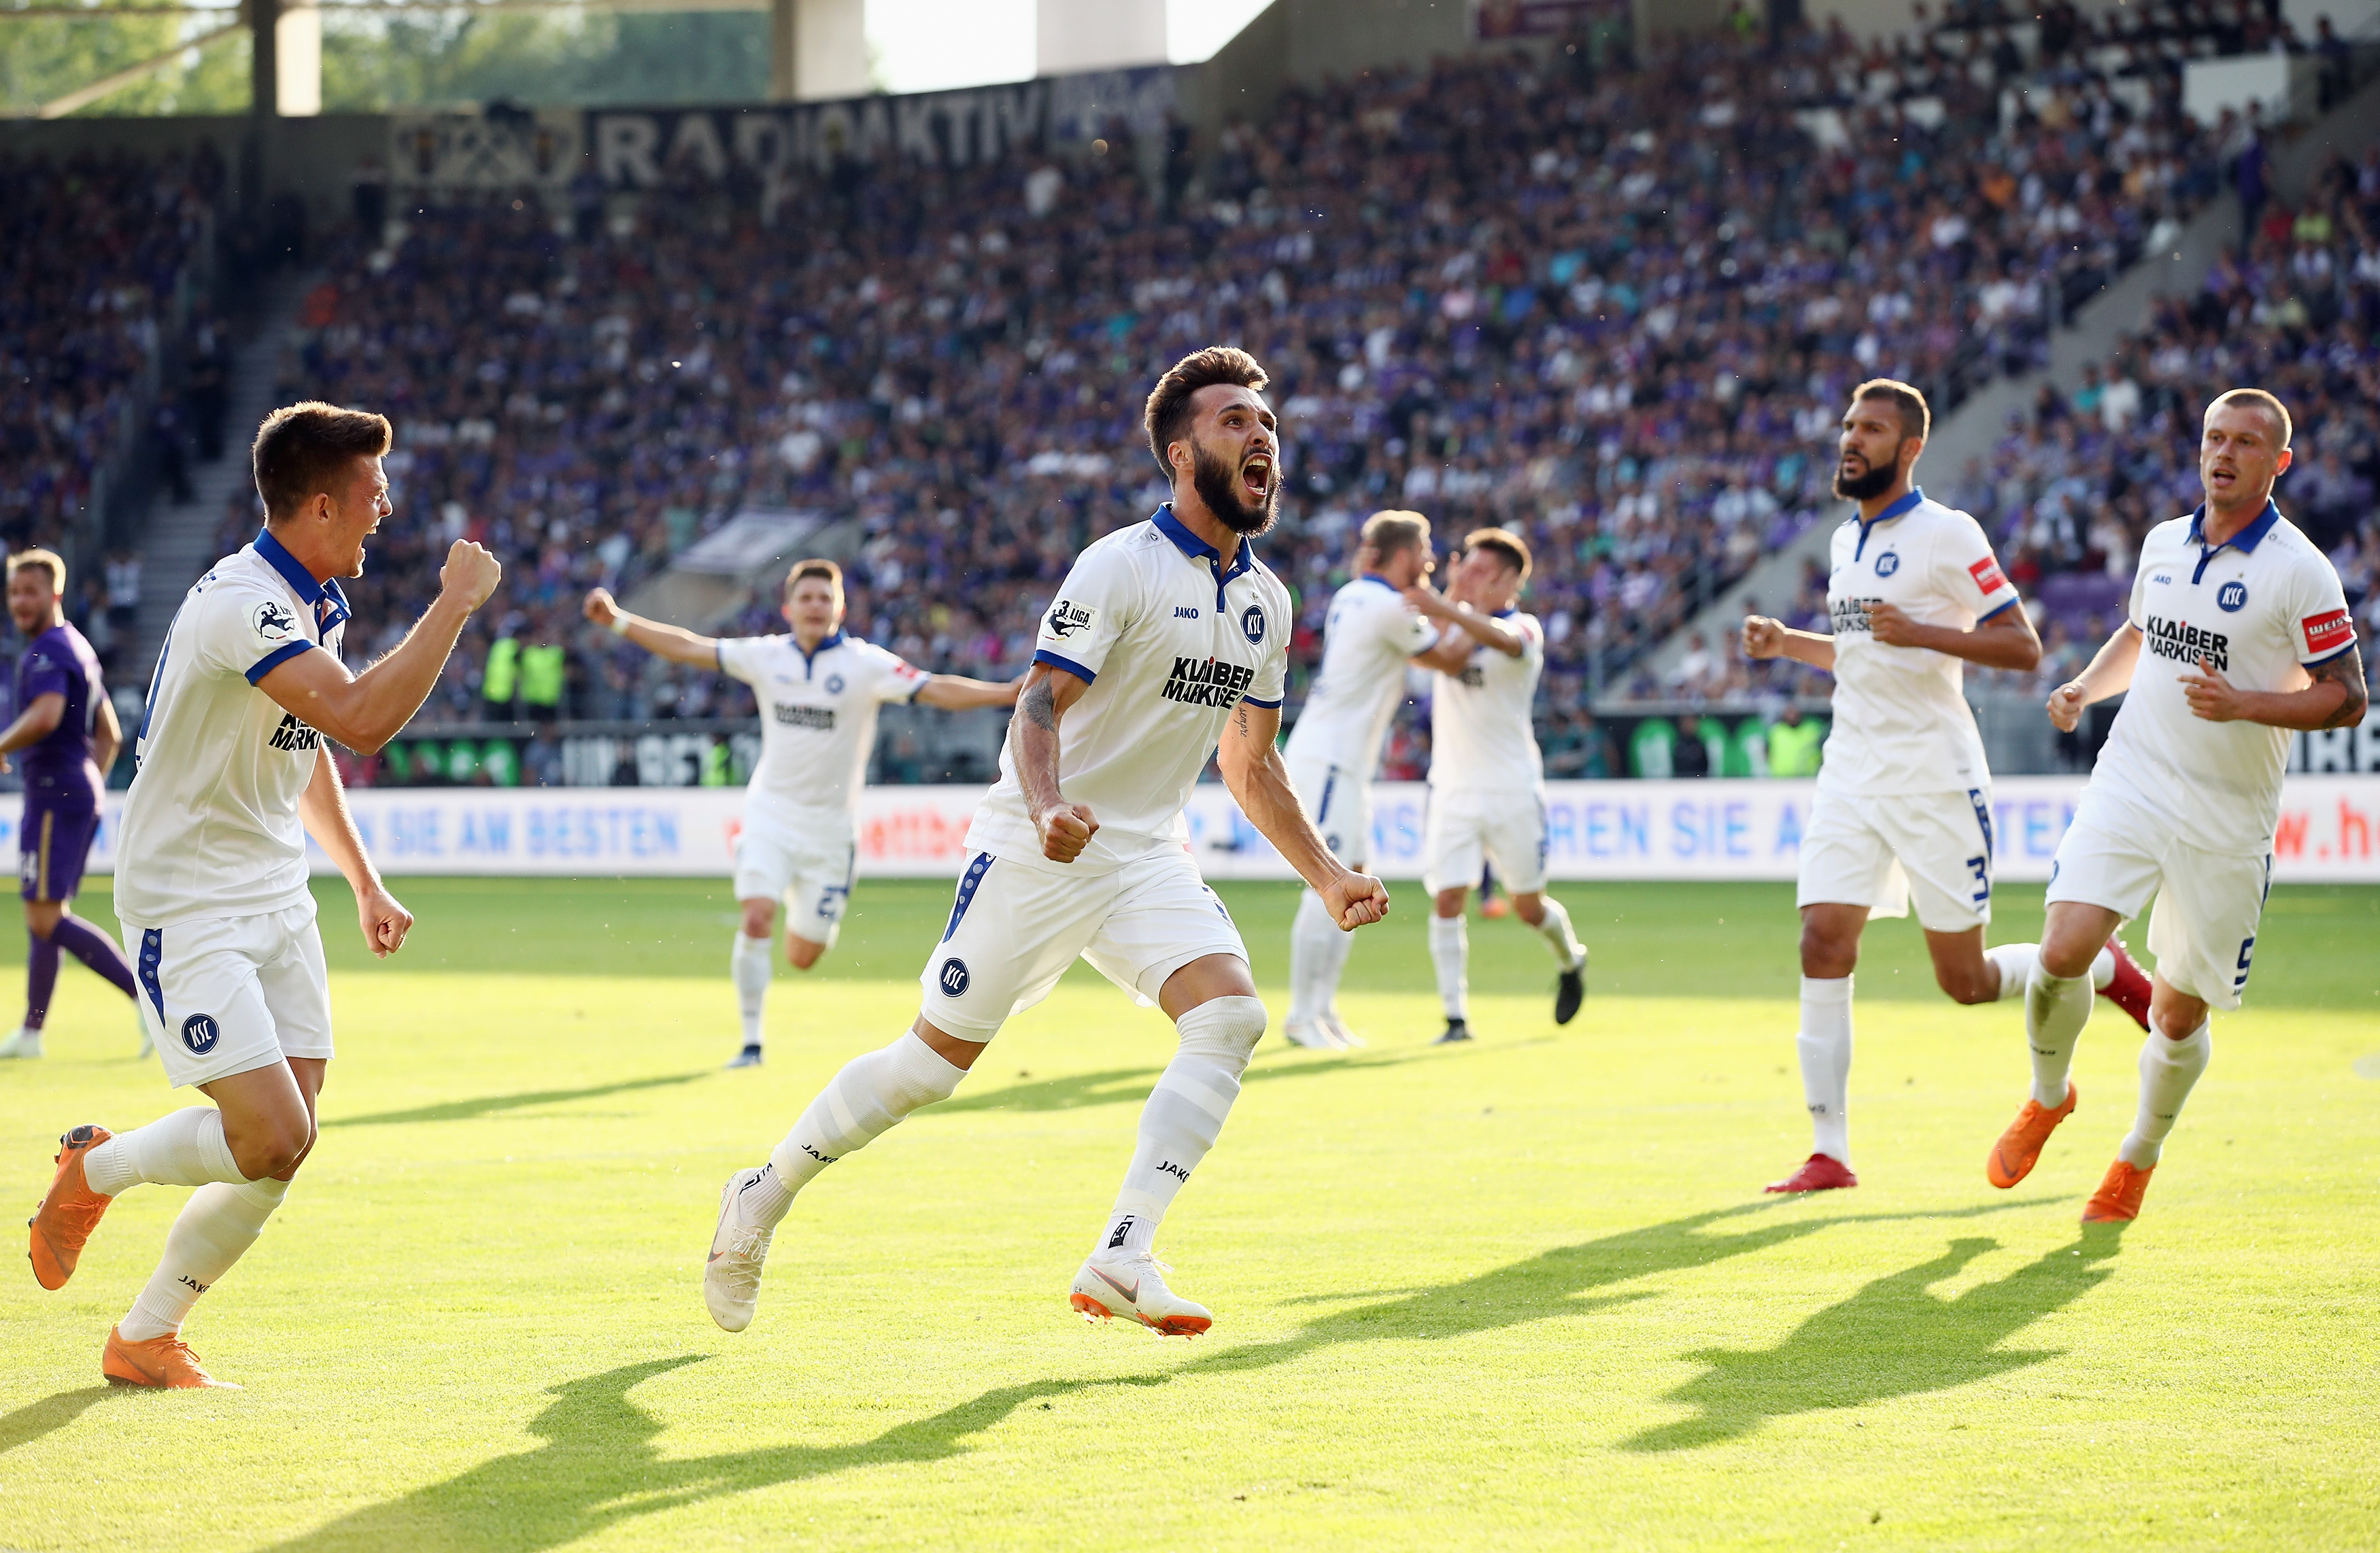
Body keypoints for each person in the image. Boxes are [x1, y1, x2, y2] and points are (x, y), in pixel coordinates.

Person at [698, 347, 1388, 1339]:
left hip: (1144, 854)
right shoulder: (1121, 564)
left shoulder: (1266, 603)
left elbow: (1250, 761)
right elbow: (1037, 700)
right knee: (929, 1068)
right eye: (1235, 422)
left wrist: (1325, 875)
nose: (1263, 439)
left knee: (1231, 1018)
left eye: (1267, 424)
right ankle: (761, 1192)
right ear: (1180, 454)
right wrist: (1048, 804)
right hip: (1039, 846)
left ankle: (1123, 1253)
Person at [25, 402, 501, 1388]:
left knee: (289, 1141)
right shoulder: (245, 602)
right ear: (321, 505)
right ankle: (95, 1170)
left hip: (276, 891)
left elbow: (308, 741)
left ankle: (145, 1337)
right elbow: (360, 718)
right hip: (188, 901)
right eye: (375, 492)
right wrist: (455, 603)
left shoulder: (317, 600)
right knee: (270, 1132)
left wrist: (361, 877)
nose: (386, 508)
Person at [1741, 378, 2149, 1196]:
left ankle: (2100, 967)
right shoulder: (1843, 542)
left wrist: (1924, 631)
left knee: (1962, 982)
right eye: (1848, 425)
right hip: (1850, 771)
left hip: (1933, 777)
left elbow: (2021, 645)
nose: (1850, 439)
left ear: (1910, 447)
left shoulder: (1946, 533)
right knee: (1821, 941)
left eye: (1871, 429)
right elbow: (1863, 651)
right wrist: (1788, 643)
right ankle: (1829, 1152)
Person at [1986, 389, 2366, 1223]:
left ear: (2279, 462)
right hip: (2133, 777)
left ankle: (2137, 1155)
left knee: (2175, 1011)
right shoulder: (2163, 542)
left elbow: (2346, 697)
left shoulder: (2299, 570)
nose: (2223, 453)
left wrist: (2243, 705)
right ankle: (2048, 1095)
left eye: (2245, 443)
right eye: (2213, 438)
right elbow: (2139, 633)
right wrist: (2084, 687)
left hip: (2227, 814)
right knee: (2061, 948)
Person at [583, 559, 1018, 1068]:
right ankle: (751, 1044)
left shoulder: (865, 665)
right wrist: (618, 621)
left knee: (803, 956)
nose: (816, 606)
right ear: (788, 609)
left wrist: (1006, 694)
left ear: (841, 609)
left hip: (831, 832)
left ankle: (797, 896)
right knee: (757, 915)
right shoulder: (766, 656)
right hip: (770, 814)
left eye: (825, 598)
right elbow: (689, 647)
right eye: (806, 598)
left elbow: (935, 687)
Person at [1278, 511, 1485, 1048]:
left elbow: (1422, 635)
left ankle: (1322, 1011)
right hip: (1331, 761)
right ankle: (1301, 1016)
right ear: (1405, 554)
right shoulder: (1386, 607)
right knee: (1328, 884)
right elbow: (1449, 658)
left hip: (1339, 759)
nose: (1431, 559)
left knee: (1353, 882)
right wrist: (1470, 605)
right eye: (1426, 548)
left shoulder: (1358, 595)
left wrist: (1445, 603)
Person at [1411, 528, 1589, 1044]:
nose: (1471, 577)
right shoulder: (1454, 621)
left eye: (1483, 572)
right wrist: (1447, 601)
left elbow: (1505, 641)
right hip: (1453, 788)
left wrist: (1445, 606)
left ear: (1511, 581)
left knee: (1528, 908)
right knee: (1448, 898)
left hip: (1512, 789)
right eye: (1466, 566)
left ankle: (1571, 959)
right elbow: (1429, 648)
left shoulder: (1524, 627)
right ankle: (1455, 1019)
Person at [0, 549, 140, 1060]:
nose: (20, 602)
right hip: (74, 792)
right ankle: (32, 1033)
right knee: (47, 912)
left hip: (53, 794)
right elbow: (110, 734)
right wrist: (89, 786)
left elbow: (47, 714)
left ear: (55, 593)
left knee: (44, 918)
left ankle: (146, 1000)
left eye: (30, 592)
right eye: (14, 592)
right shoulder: (77, 646)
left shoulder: (47, 651)